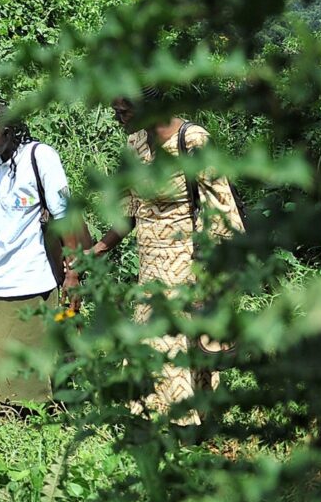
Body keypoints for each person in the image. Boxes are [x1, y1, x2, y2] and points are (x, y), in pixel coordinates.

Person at [90, 92, 244, 424]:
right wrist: (99, 248)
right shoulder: (135, 143)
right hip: (149, 263)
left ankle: (184, 420)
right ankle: (151, 415)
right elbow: (131, 210)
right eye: (116, 112)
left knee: (176, 341)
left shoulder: (193, 140)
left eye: (125, 111)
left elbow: (222, 209)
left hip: (187, 260)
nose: (119, 119)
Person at [0, 102, 85, 406]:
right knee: (0, 354)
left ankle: (41, 413)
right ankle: (7, 409)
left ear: (7, 133)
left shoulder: (40, 157)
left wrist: (73, 272)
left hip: (32, 276)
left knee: (34, 354)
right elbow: (4, 204)